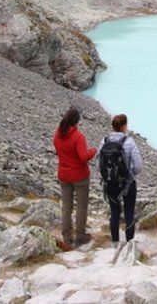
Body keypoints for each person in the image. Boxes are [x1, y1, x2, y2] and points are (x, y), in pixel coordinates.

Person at [53, 106, 97, 248]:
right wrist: (93, 151)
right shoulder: (78, 137)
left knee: (66, 207)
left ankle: (67, 237)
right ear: (76, 121)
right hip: (79, 176)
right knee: (81, 207)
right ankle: (80, 236)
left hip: (64, 174)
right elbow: (84, 157)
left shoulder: (58, 134)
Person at [101, 114, 142, 245]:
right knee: (129, 212)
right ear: (124, 126)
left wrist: (108, 176)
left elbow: (99, 163)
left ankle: (115, 243)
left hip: (110, 183)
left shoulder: (105, 141)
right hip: (128, 183)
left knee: (114, 212)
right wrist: (131, 174)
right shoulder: (129, 142)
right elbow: (138, 166)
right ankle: (129, 244)